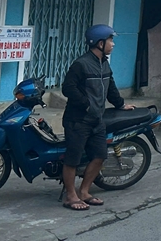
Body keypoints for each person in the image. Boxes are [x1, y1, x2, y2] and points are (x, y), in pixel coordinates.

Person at [61, 24, 135, 211]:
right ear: (99, 43)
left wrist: (120, 104)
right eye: (111, 40)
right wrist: (86, 104)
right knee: (73, 159)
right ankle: (70, 196)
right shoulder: (81, 64)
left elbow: (110, 87)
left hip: (97, 120)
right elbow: (68, 88)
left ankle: (84, 192)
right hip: (78, 120)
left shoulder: (104, 64)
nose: (113, 44)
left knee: (100, 155)